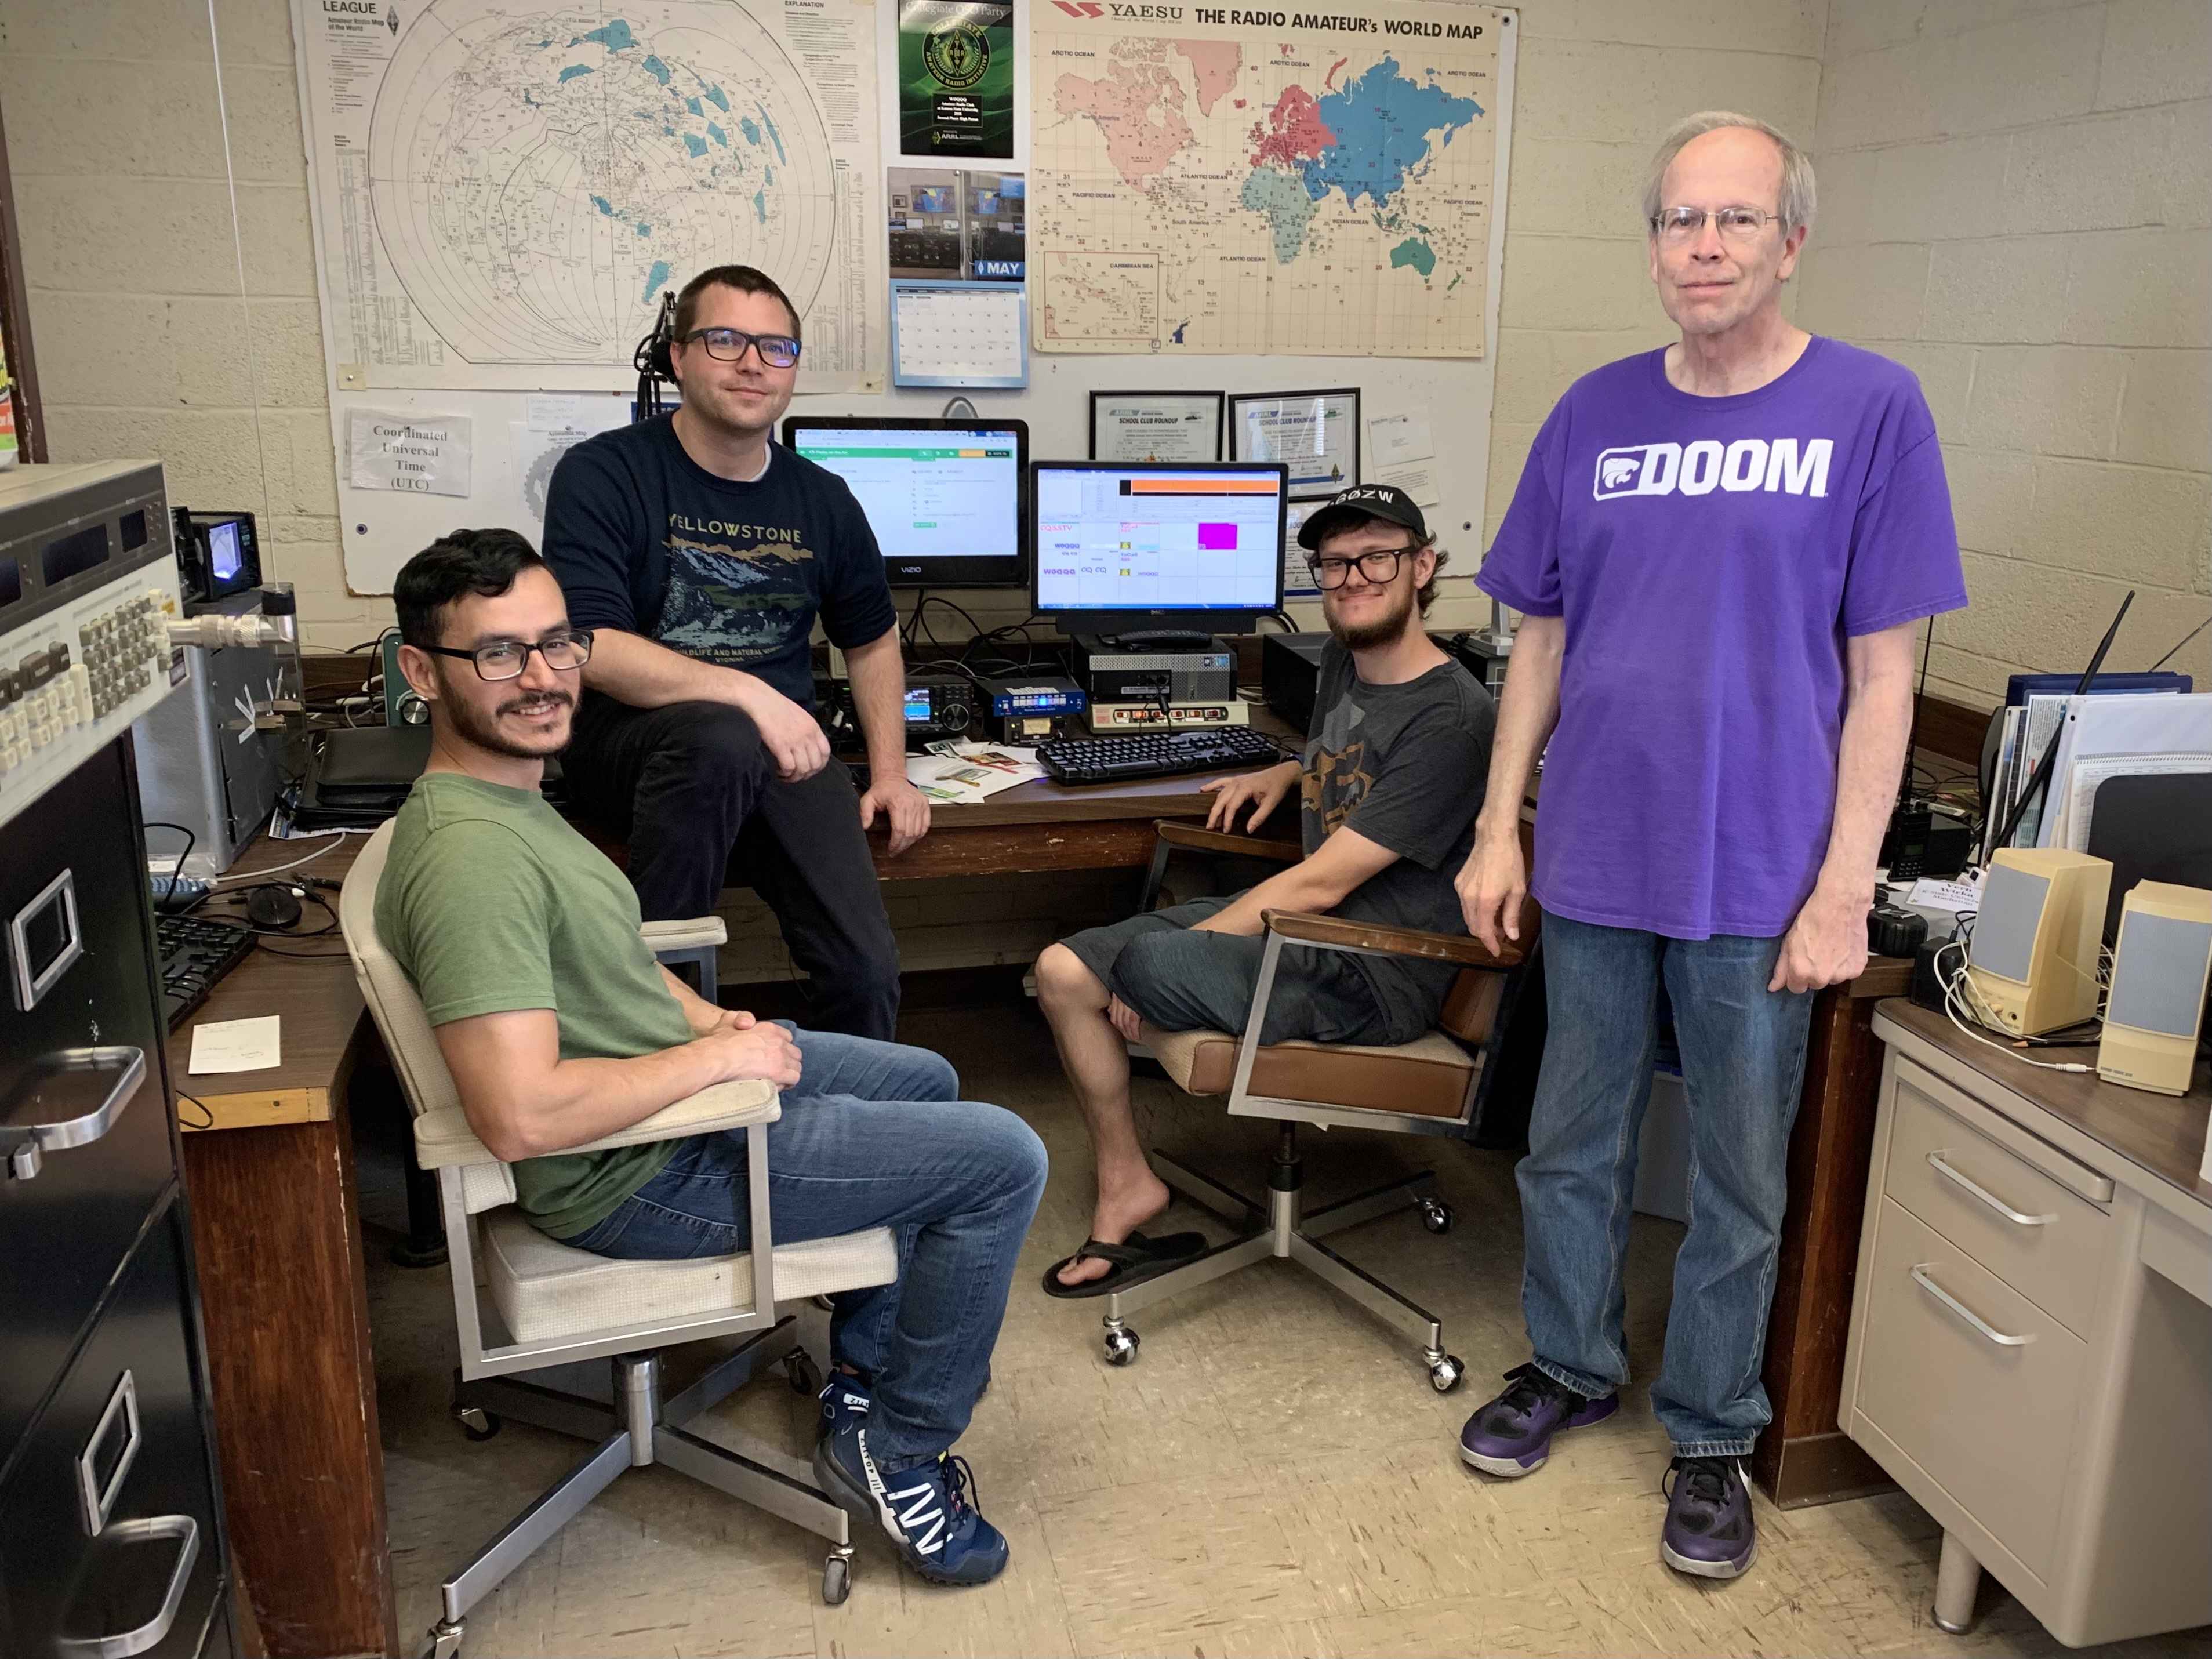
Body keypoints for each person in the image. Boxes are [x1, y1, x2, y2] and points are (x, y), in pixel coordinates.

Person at [1452, 112, 1967, 1581]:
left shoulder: (1873, 411)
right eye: (1683, 221)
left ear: (1792, 239)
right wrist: (1501, 831)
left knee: (1740, 1173)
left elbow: (1886, 674)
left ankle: (1713, 1431)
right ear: (1656, 242)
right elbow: (1535, 638)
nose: (1707, 246)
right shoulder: (1594, 412)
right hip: (1597, 855)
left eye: (1738, 220)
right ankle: (1567, 1363)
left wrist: (1843, 890)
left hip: (1761, 877)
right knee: (1571, 1144)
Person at [375, 529, 1045, 1587]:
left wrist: (710, 1026)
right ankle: (904, 1447)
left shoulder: (512, 796)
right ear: (423, 671)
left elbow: (613, 966)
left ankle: (864, 1375)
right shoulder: (472, 865)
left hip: (663, 1103)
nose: (543, 677)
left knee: (923, 1077)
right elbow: (521, 1117)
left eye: (558, 643)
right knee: (1005, 1157)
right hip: (634, 1170)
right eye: (499, 654)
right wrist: (714, 1072)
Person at [1034, 484, 1494, 1294]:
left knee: (1143, 964)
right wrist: (1288, 769)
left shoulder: (1452, 717)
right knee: (1063, 971)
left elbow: (1324, 882)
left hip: (1372, 967)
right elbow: (1345, 759)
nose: (1351, 579)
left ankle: (1157, 982)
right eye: (1334, 564)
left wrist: (1172, 958)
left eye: (1378, 557)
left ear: (1423, 567)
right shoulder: (1344, 665)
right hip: (1301, 928)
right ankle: (1127, 1185)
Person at [542, 264, 924, 1040]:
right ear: (677, 358)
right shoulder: (605, 473)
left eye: (775, 347)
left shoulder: (824, 500)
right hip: (634, 747)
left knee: (865, 968)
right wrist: (749, 694)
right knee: (717, 733)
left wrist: (889, 774)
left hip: (780, 754)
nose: (753, 362)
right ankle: (656, 1030)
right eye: (726, 340)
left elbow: (873, 638)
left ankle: (858, 1127)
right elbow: (590, 646)